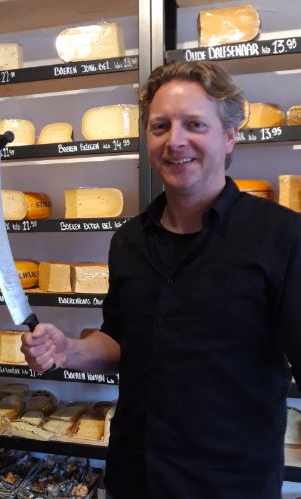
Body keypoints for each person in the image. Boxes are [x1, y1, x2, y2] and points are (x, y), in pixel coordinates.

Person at [22, 59, 301, 499]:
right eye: (160, 126)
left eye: (195, 124)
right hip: (135, 476)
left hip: (230, 484)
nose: (175, 141)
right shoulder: (129, 241)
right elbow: (120, 340)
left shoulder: (281, 236)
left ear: (230, 135)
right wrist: (69, 350)